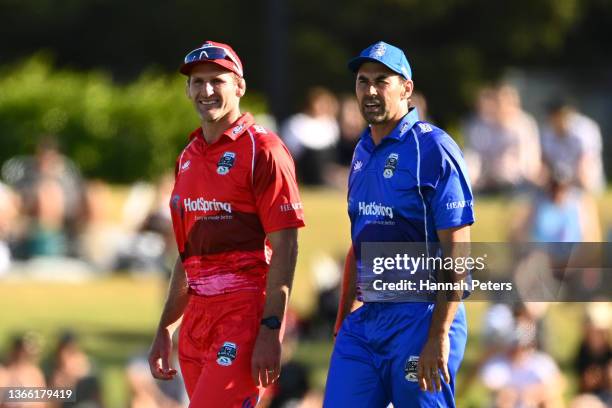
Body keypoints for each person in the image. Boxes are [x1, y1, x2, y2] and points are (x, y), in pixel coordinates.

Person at [147, 40, 305, 408]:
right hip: (197, 321)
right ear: (187, 89)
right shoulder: (188, 155)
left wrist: (270, 330)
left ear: (239, 86)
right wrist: (165, 328)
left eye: (217, 80)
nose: (206, 91)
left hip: (244, 315)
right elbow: (188, 255)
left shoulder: (263, 150)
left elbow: (287, 246)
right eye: (197, 82)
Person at [324, 41, 475, 407]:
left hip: (422, 316)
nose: (370, 91)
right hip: (368, 320)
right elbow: (359, 242)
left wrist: (439, 334)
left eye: (382, 81)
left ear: (406, 88)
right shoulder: (361, 151)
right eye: (363, 81)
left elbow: (458, 251)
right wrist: (345, 318)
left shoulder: (433, 149)